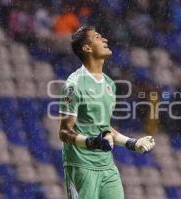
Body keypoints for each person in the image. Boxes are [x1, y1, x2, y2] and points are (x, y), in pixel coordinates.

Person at [58, 26, 155, 199]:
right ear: (87, 48)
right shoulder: (74, 85)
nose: (105, 40)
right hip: (82, 166)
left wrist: (132, 143)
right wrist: (92, 142)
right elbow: (65, 132)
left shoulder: (110, 84)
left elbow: (104, 128)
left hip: (107, 167)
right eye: (97, 37)